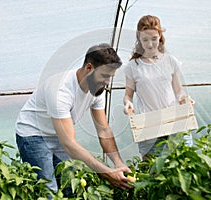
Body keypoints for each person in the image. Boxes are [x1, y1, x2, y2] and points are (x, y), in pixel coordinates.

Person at [15, 43, 133, 194]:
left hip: (58, 134)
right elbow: (69, 143)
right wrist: (106, 172)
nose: (107, 83)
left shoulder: (97, 88)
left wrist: (118, 163)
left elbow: (103, 129)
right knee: (48, 189)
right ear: (89, 68)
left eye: (110, 77)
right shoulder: (60, 91)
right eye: (104, 76)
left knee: (70, 185)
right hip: (33, 135)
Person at [123, 15, 194, 160]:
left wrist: (184, 98)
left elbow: (178, 91)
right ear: (139, 38)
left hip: (175, 122)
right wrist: (128, 103)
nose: (150, 44)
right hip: (149, 127)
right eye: (145, 40)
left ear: (160, 36)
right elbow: (128, 95)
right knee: (152, 173)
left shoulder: (169, 61)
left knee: (185, 168)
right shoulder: (133, 66)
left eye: (154, 39)